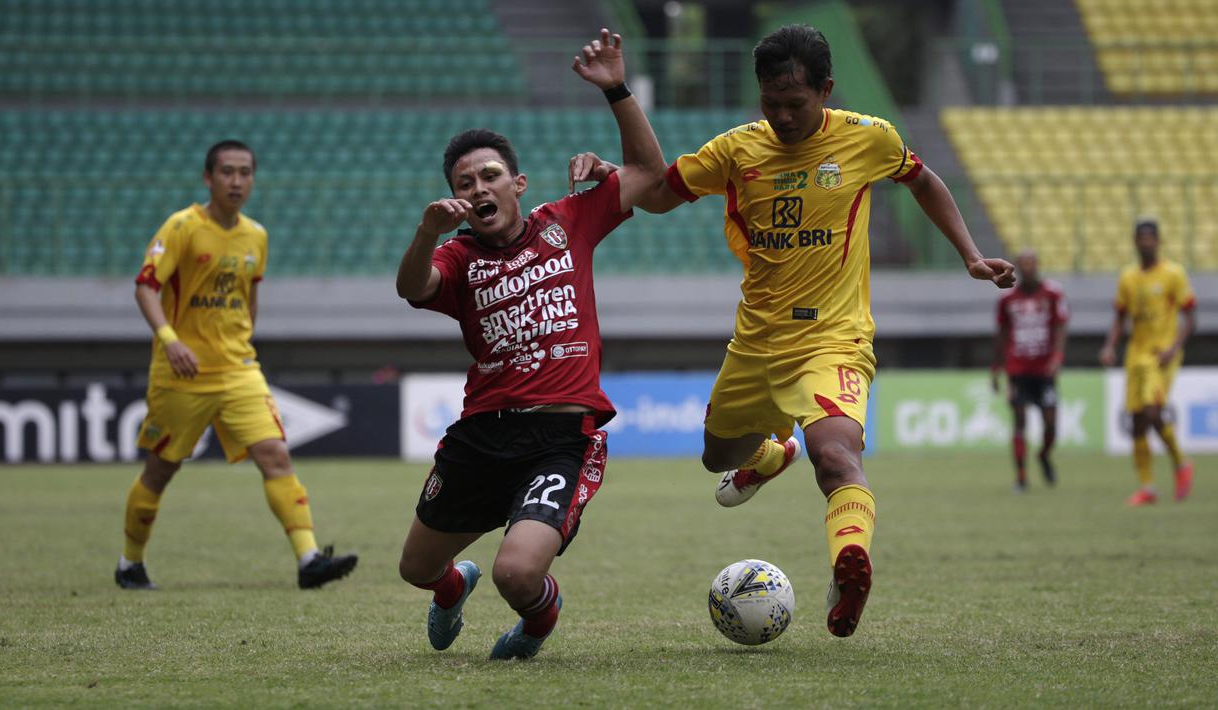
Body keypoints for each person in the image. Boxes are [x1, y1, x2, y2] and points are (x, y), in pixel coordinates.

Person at [570, 24, 1015, 638]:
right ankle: (770, 455)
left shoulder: (868, 138)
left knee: (836, 456)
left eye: (795, 103)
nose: (780, 115)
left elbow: (923, 180)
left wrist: (969, 255)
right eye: (769, 102)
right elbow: (660, 193)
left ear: (826, 90)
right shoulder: (736, 150)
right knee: (715, 457)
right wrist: (612, 176)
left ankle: (847, 567)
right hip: (755, 343)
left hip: (834, 339)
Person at [394, 29, 664, 660]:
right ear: (459, 201)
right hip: (481, 436)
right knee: (414, 568)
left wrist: (617, 89)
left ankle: (538, 621)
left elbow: (650, 173)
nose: (480, 187)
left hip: (559, 438)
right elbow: (412, 287)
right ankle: (452, 585)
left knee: (518, 573)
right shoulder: (457, 256)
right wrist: (425, 231)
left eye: (491, 176)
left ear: (518, 184)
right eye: (467, 183)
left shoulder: (568, 220)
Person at [118, 140, 358, 590]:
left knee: (276, 456)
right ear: (208, 178)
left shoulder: (256, 235)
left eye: (244, 172)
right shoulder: (182, 227)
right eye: (227, 172)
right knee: (160, 469)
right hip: (182, 375)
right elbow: (145, 288)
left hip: (239, 371)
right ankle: (130, 562)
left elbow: (248, 298)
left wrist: (243, 342)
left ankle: (309, 560)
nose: (236, 180)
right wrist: (169, 340)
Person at [1099, 219, 1196, 505]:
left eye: (1150, 238)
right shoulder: (1128, 277)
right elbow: (1120, 318)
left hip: (1161, 355)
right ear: (1135, 242)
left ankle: (1181, 463)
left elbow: (1191, 317)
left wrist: (1173, 347)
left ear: (1158, 241)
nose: (1146, 243)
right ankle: (1148, 487)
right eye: (1141, 238)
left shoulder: (1173, 274)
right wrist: (1109, 346)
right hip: (1135, 355)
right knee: (1138, 422)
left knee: (1154, 412)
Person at [991, 250, 1069, 492]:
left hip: (1044, 370)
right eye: (1022, 264)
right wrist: (996, 368)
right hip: (1018, 369)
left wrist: (1057, 357)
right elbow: (1002, 336)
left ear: (1037, 266)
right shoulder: (1007, 300)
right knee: (1020, 421)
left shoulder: (1053, 294)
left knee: (1051, 425)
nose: (1027, 268)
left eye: (1031, 263)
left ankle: (1044, 455)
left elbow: (1060, 327)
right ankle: (1021, 477)